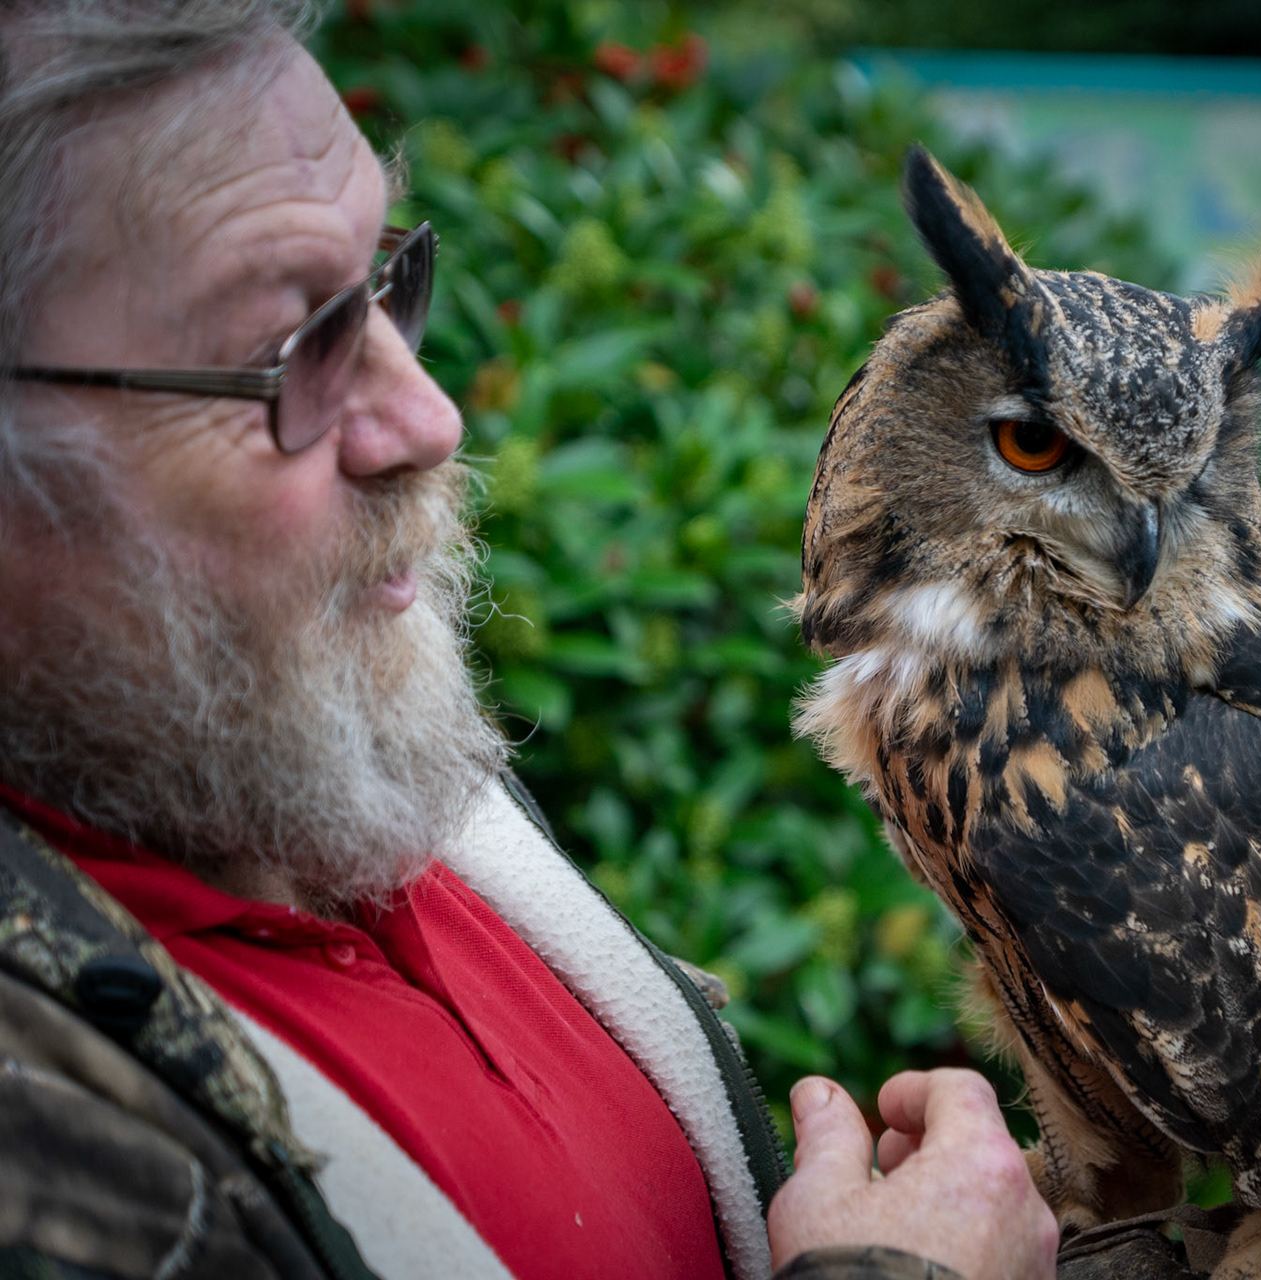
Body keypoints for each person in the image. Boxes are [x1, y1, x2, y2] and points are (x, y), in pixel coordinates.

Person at [0, 2, 1059, 1277]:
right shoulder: (44, 1148)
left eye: (383, 285)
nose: (431, 417)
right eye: (286, 348)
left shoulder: (320, 756)